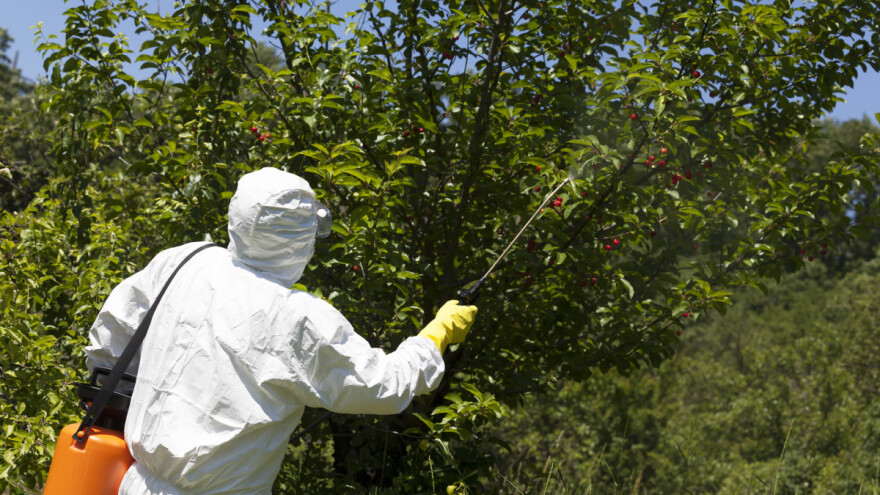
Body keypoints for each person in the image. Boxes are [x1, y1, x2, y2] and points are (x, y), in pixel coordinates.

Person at [85, 167, 478, 494]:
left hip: (135, 483)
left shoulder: (186, 260)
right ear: (300, 241)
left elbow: (110, 339)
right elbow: (382, 386)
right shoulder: (296, 318)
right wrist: (435, 337)